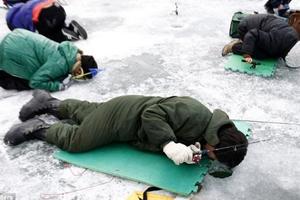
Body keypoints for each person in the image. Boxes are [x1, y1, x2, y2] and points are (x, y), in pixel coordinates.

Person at [4, 90, 248, 172]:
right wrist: (169, 145)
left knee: (87, 112)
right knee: (77, 140)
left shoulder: (205, 128)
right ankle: (38, 128)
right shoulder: (194, 113)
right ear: (215, 141)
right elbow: (151, 115)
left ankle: (48, 102)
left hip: (126, 109)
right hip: (124, 119)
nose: (208, 157)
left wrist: (190, 146)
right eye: (212, 155)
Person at [0, 29, 98, 91]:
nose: (77, 77)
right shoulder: (60, 64)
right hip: (9, 51)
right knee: (28, 82)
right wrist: (58, 86)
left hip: (18, 36)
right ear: (78, 67)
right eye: (80, 75)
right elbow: (35, 82)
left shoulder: (68, 52)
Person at [222, 13, 300, 63]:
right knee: (261, 54)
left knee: (272, 53)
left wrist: (282, 55)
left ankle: (245, 43)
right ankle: (234, 46)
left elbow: (283, 50)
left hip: (260, 26)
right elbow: (252, 34)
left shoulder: (293, 37)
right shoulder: (272, 39)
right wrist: (247, 54)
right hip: (245, 28)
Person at [5, 0, 87, 43]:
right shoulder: (26, 7)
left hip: (45, 14)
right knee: (56, 25)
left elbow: (33, 34)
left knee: (47, 37)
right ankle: (71, 27)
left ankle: (63, 35)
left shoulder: (19, 21)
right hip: (58, 8)